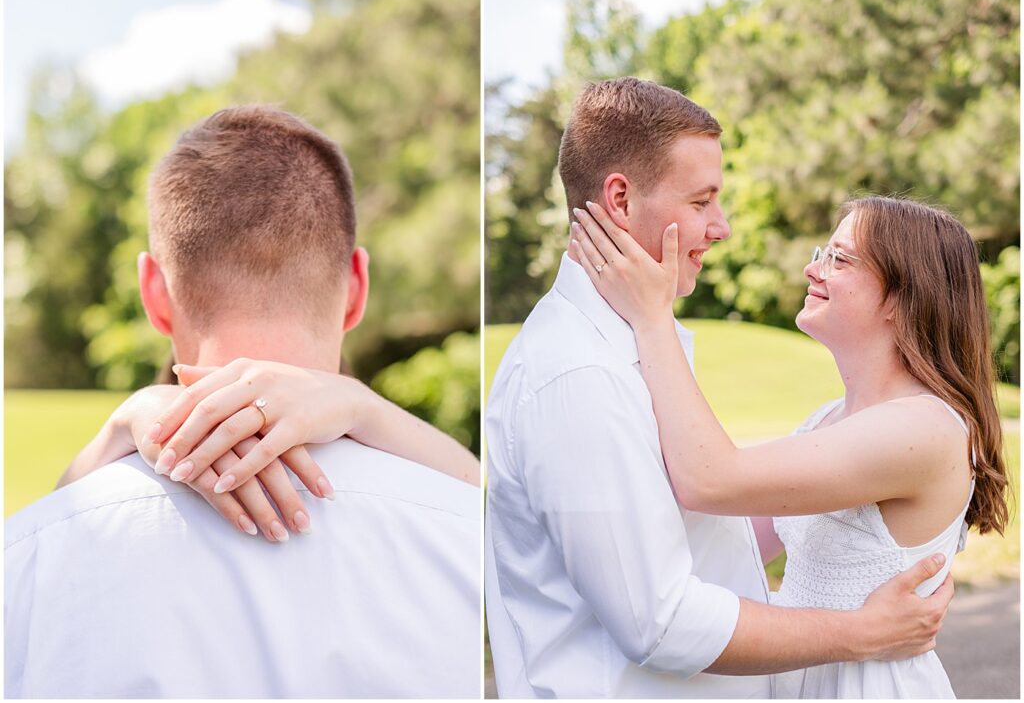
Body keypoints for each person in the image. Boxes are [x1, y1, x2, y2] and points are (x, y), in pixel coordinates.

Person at [484, 77, 953, 699]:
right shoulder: (579, 376)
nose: (723, 226)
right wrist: (861, 631)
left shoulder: (639, 347)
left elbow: (709, 530)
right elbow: (664, 623)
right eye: (702, 201)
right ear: (619, 201)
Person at [5, 106, 480, 698]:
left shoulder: (29, 559)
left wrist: (117, 430)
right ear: (356, 287)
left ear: (154, 293)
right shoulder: (469, 540)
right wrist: (366, 407)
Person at [570, 194, 1008, 698]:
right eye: (824, 253)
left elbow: (709, 479)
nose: (812, 268)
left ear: (905, 297)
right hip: (808, 675)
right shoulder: (827, 420)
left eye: (839, 259)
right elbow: (726, 543)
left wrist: (652, 318)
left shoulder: (924, 429)